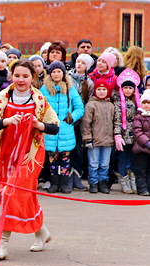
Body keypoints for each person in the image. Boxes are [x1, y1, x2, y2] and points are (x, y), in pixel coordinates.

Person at [0, 59, 59, 260]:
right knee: (25, 196)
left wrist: (38, 124)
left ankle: (3, 243)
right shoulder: (3, 96)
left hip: (31, 156)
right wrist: (6, 121)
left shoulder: (39, 99)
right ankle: (42, 233)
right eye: (17, 75)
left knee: (12, 193)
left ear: (33, 78)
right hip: (7, 154)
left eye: (25, 76)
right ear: (11, 76)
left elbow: (54, 127)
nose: (21, 79)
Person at [40, 61, 84, 194]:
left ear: (63, 73)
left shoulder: (70, 89)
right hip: (50, 130)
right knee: (52, 159)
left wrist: (71, 118)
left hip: (66, 129)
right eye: (53, 72)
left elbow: (79, 107)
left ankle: (65, 184)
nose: (56, 74)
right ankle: (54, 183)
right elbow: (40, 107)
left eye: (59, 71)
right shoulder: (44, 90)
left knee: (65, 158)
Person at [81, 79, 115, 194]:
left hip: (108, 140)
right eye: (99, 89)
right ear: (95, 91)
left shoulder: (111, 105)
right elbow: (86, 123)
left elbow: (115, 122)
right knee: (93, 163)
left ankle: (103, 182)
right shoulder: (91, 105)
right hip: (94, 140)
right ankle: (93, 182)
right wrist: (87, 138)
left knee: (105, 163)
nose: (101, 92)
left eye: (104, 89)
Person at [68, 53, 94, 191]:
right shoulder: (67, 78)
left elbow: (88, 102)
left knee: (78, 151)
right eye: (78, 62)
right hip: (67, 118)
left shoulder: (89, 83)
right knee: (67, 149)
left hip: (80, 120)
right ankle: (66, 177)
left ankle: (76, 176)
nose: (79, 65)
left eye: (83, 63)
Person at [113, 68, 140, 194]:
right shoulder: (118, 103)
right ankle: (123, 180)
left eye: (130, 88)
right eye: (125, 88)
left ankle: (132, 179)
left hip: (135, 136)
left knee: (132, 159)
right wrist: (117, 135)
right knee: (123, 159)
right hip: (123, 136)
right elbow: (117, 120)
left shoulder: (137, 103)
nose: (128, 90)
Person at [132, 90, 150, 196]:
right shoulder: (138, 117)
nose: (146, 105)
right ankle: (142, 188)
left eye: (149, 103)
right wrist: (147, 142)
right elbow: (137, 131)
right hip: (142, 148)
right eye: (144, 102)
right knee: (141, 169)